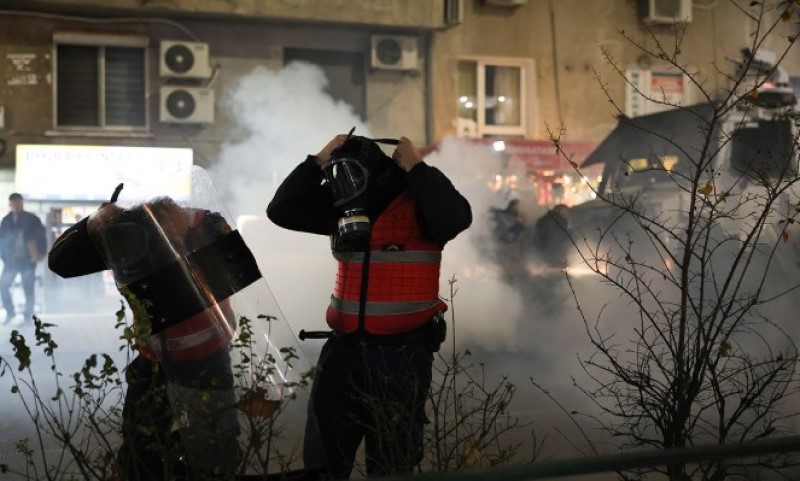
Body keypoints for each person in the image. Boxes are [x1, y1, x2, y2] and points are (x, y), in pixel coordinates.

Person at [267, 134, 472, 478]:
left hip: (401, 354)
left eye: (351, 174)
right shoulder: (342, 204)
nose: (343, 184)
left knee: (392, 463)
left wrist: (417, 168)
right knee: (322, 463)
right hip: (343, 350)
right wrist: (316, 161)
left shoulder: (419, 202)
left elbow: (457, 217)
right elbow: (281, 210)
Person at [49, 195, 255, 481]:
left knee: (216, 451)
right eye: (161, 218)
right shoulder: (127, 234)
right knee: (141, 448)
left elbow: (234, 267)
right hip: (156, 360)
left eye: (174, 215)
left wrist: (194, 224)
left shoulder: (205, 226)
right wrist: (96, 224)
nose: (168, 228)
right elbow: (60, 261)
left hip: (210, 360)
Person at [0, 193, 45, 324]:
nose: (16, 204)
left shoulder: (32, 219)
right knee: (3, 285)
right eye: (13, 202)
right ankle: (10, 312)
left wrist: (40, 253)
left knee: (28, 288)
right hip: (11, 261)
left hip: (28, 260)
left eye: (18, 202)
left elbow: (41, 236)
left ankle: (27, 317)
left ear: (22, 202)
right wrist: (4, 257)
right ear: (10, 204)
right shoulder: (6, 220)